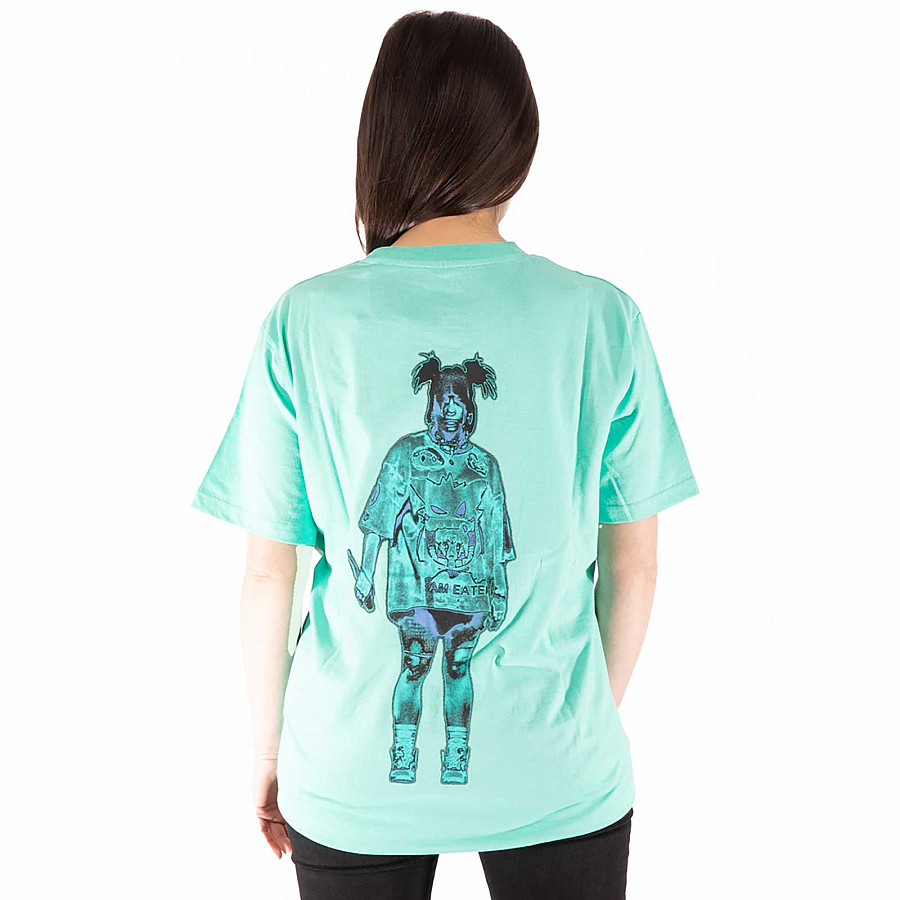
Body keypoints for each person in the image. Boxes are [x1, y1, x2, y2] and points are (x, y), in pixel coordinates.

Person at [191, 10, 698, 900]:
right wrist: (576, 728)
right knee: (428, 661)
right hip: (555, 766)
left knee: (435, 665)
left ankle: (423, 748)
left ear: (381, 139)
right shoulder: (601, 317)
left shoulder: (305, 320)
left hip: (344, 778)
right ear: (520, 144)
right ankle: (433, 744)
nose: (456, 419)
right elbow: (635, 565)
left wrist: (270, 752)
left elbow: (270, 571)